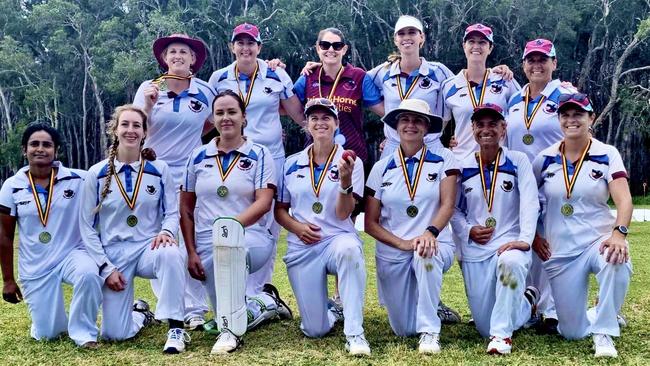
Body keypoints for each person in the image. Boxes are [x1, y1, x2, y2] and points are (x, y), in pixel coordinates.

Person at [180, 90, 293, 354]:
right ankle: (265, 302)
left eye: (232, 112)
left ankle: (230, 334)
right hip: (207, 244)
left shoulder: (260, 153)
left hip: (251, 237)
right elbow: (186, 209)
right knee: (228, 311)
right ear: (213, 118)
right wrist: (191, 251)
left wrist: (229, 229)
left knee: (227, 317)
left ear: (244, 117)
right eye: (220, 113)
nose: (226, 117)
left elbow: (264, 202)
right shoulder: (197, 156)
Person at [79, 105, 189, 353]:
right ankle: (140, 313)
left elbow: (172, 211)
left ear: (144, 132)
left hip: (148, 248)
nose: (131, 130)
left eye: (136, 125)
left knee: (171, 253)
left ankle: (176, 327)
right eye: (125, 124)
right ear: (115, 130)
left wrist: (167, 232)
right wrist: (105, 268)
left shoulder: (160, 170)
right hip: (114, 255)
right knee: (115, 335)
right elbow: (86, 227)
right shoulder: (96, 174)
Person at [532, 94, 632, 358]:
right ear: (559, 120)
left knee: (617, 259)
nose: (571, 120)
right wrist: (533, 236)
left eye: (578, 114)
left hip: (597, 242)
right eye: (565, 115)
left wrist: (619, 234)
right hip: (562, 253)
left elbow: (624, 200)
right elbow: (527, 203)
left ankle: (605, 332)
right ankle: (602, 312)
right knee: (572, 331)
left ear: (591, 118)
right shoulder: (544, 159)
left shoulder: (607, 154)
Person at [209, 23, 305, 298]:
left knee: (270, 223)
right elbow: (209, 118)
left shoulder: (277, 74)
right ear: (232, 47)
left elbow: (296, 113)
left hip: (271, 156)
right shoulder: (219, 78)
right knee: (236, 213)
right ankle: (234, 286)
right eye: (240, 43)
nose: (245, 48)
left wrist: (319, 136)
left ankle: (259, 290)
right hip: (233, 155)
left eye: (251, 43)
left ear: (259, 47)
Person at [364, 98, 459, 354]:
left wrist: (430, 232)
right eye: (405, 119)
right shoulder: (381, 167)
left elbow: (448, 204)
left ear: (427, 128)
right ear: (396, 126)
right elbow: (370, 223)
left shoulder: (443, 159)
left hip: (435, 242)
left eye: (418, 120)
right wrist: (403, 243)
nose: (411, 125)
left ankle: (430, 330)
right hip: (394, 250)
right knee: (404, 329)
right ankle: (429, 304)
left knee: (424, 253)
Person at [134, 33, 216, 329]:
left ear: (193, 59)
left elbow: (212, 122)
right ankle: (169, 305)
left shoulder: (205, 90)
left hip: (191, 174)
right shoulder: (149, 87)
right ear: (164, 58)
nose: (178, 55)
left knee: (189, 236)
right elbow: (134, 129)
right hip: (154, 172)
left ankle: (195, 309)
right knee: (161, 237)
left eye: (184, 51)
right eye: (172, 51)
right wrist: (147, 106)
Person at [275, 98, 369, 355]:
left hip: (336, 238)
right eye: (314, 118)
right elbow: (280, 211)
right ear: (306, 124)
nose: (320, 122)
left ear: (337, 123)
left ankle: (355, 333)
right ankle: (328, 309)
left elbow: (343, 213)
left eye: (326, 117)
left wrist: (345, 180)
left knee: (350, 249)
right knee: (314, 330)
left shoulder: (352, 161)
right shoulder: (291, 163)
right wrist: (297, 228)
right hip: (303, 244)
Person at [0, 123, 102, 348]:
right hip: (36, 266)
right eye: (34, 144)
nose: (40, 149)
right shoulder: (12, 186)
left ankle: (84, 333)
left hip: (72, 255)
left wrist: (145, 154)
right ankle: (49, 322)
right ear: (24, 149)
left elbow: (111, 175)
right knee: (49, 334)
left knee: (89, 274)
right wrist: (8, 280)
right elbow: (5, 236)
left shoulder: (79, 179)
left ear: (56, 151)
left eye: (47, 145)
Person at [451, 104, 539, 354]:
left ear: (503, 128)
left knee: (511, 262)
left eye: (493, 124)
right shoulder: (462, 164)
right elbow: (454, 209)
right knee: (482, 326)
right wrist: (468, 230)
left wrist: (525, 240)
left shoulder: (518, 160)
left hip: (509, 243)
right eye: (480, 124)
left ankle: (502, 337)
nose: (486, 129)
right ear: (472, 129)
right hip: (476, 248)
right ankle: (526, 302)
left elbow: (530, 201)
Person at [505, 38, 576, 333]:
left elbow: (579, 131)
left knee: (552, 247)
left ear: (554, 63)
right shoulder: (513, 99)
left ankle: (553, 310)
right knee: (529, 245)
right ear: (523, 64)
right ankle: (530, 305)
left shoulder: (565, 95)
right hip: (521, 185)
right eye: (531, 60)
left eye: (543, 59)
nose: (537, 65)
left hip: (553, 183)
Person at [293, 27, 384, 170]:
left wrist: (391, 137)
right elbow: (283, 106)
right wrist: (273, 68)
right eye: (325, 45)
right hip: (315, 159)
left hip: (351, 157)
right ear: (317, 48)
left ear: (344, 49)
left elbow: (384, 111)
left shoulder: (358, 76)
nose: (331, 49)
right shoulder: (308, 77)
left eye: (337, 45)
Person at [441, 23, 521, 162]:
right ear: (464, 46)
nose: (476, 46)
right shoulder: (449, 86)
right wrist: (446, 142)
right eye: (471, 41)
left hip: (499, 163)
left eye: (482, 42)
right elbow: (439, 127)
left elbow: (524, 116)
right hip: (462, 163)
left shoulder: (505, 80)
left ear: (490, 48)